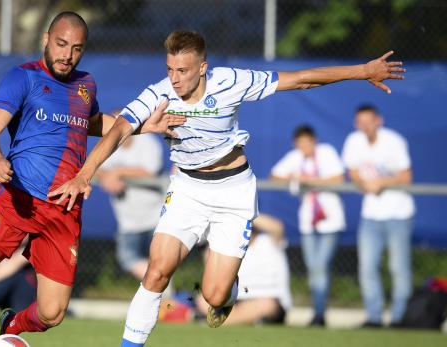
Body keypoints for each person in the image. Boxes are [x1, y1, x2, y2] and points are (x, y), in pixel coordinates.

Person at [50, 30, 405, 346]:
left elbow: (301, 80)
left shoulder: (231, 81)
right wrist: (86, 174)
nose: (174, 79)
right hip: (187, 189)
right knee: (157, 270)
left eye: (183, 71)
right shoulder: (158, 94)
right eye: (170, 69)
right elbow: (118, 130)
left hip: (233, 192)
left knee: (214, 295)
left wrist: (363, 71)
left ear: (203, 67)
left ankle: (227, 291)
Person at [0, 12, 182, 347]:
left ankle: (12, 322)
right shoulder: (23, 77)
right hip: (16, 200)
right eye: (61, 44)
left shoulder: (86, 85)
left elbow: (93, 123)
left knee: (52, 313)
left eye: (76, 48)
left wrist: (144, 125)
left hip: (62, 208)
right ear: (46, 39)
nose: (67, 55)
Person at [341, 104, 414, 327]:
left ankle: (399, 318)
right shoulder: (353, 141)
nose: (365, 126)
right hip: (371, 215)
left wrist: (381, 182)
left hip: (399, 214)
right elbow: (352, 172)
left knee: (398, 268)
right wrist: (364, 183)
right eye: (360, 122)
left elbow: (406, 176)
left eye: (369, 121)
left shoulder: (394, 141)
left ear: (378, 121)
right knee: (367, 267)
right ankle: (374, 317)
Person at [270, 125, 345, 326]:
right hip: (308, 223)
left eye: (307, 143)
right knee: (314, 269)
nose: (303, 147)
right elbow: (275, 176)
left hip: (329, 220)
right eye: (300, 144)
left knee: (319, 267)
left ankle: (319, 314)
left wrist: (310, 180)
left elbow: (338, 178)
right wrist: (294, 178)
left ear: (314, 141)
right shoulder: (296, 157)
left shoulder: (327, 153)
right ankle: (318, 311)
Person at [193, 214, 292, 326]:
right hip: (236, 301)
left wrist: (243, 213)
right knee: (202, 300)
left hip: (267, 300)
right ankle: (247, 320)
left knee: (266, 305)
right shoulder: (228, 249)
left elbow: (277, 227)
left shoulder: (269, 241)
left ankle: (225, 321)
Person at [96, 132, 164, 282]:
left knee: (163, 262)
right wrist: (106, 177)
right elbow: (95, 166)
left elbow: (149, 171)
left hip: (156, 217)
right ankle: (162, 289)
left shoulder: (147, 141)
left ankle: (165, 292)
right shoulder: (108, 144)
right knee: (128, 258)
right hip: (128, 221)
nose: (116, 131)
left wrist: (118, 172)